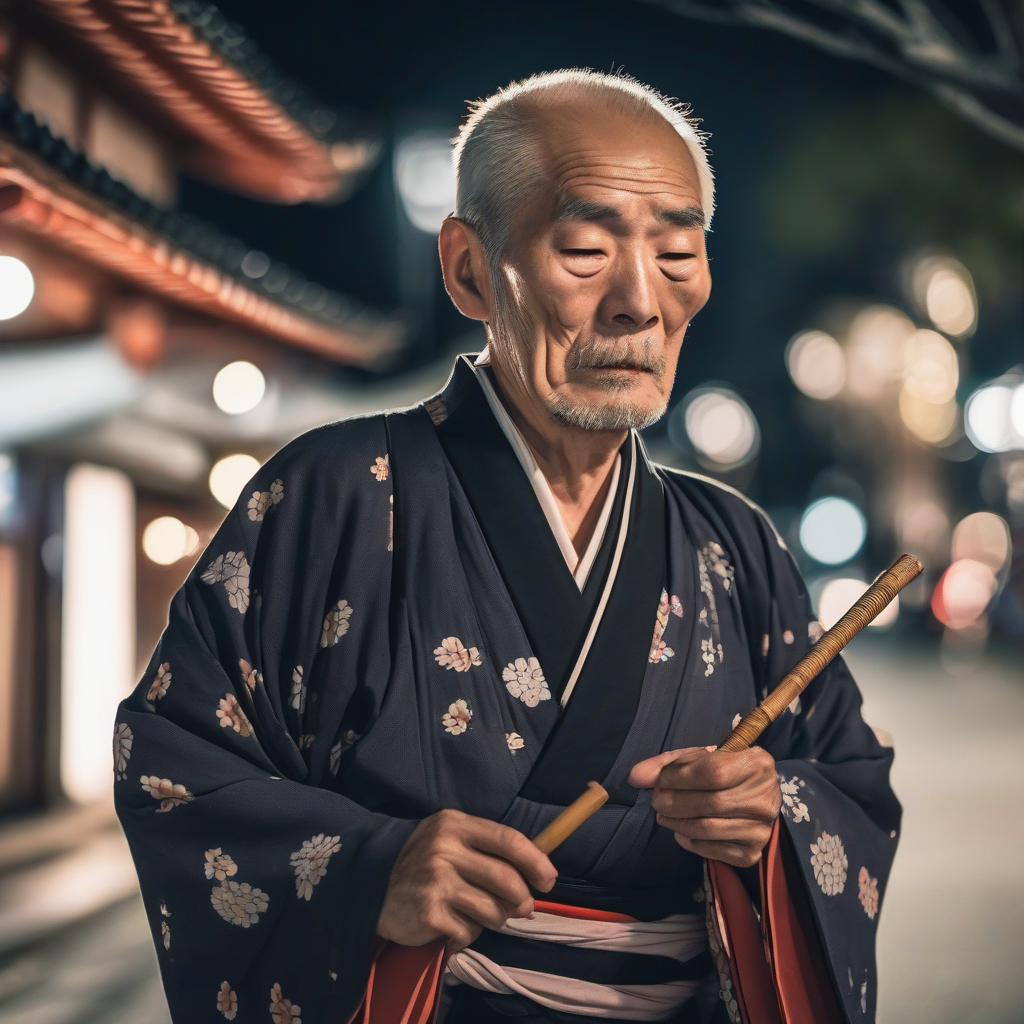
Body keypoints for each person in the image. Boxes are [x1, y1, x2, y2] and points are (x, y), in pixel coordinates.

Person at [114, 70, 900, 1024]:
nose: (638, 304)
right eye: (582, 248)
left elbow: (851, 783)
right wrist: (371, 871)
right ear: (469, 269)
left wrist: (771, 813)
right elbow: (174, 763)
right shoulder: (335, 496)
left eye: (679, 253)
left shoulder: (731, 544)